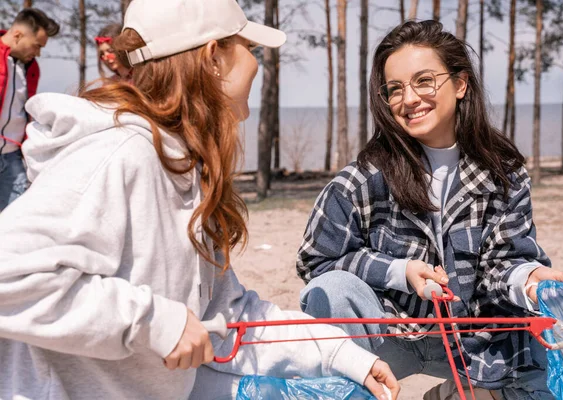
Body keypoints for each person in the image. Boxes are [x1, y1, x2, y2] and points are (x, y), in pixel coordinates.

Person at [0, 1, 399, 399]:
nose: (257, 65)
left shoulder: (183, 167)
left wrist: (344, 355)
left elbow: (230, 317)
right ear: (213, 58)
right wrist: (155, 323)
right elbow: (10, 273)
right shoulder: (117, 153)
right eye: (249, 49)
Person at [296, 20, 563, 400]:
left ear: (460, 84)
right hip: (387, 337)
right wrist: (398, 272)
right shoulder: (362, 179)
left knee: (554, 379)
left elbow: (504, 262)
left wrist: (528, 281)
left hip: (471, 341)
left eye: (424, 81)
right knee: (329, 289)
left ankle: (460, 392)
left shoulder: (503, 174)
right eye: (395, 89)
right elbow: (316, 261)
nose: (409, 98)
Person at [0, 8, 59, 211]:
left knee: (14, 217)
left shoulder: (31, 67)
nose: (38, 53)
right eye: (37, 46)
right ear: (18, 35)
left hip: (12, 156)